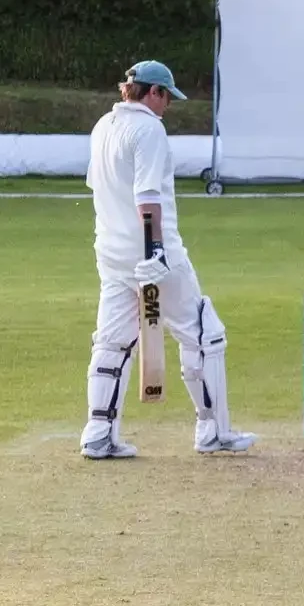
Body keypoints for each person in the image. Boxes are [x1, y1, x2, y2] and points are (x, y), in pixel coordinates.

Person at [80, 60, 254, 459]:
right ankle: (213, 431)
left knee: (112, 342)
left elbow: (99, 188)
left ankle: (98, 433)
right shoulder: (148, 129)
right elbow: (147, 197)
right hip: (155, 256)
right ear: (152, 92)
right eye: (166, 98)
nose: (168, 107)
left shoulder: (102, 127)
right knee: (205, 334)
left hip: (111, 255)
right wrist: (155, 250)